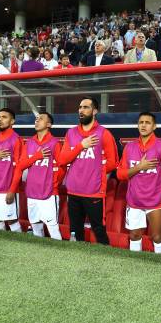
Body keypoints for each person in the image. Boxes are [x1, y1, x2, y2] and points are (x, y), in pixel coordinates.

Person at [59, 97, 119, 244]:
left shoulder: (104, 133)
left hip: (94, 191)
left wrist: (96, 172)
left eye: (86, 107)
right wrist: (81, 145)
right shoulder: (71, 133)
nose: (81, 110)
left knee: (99, 230)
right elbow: (62, 160)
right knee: (75, 231)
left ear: (94, 111)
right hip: (73, 191)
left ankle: (105, 262)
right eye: (80, 107)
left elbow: (113, 162)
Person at [116, 112, 161, 253]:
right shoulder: (130, 147)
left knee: (157, 237)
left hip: (155, 200)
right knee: (134, 235)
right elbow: (120, 174)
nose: (143, 125)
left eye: (147, 122)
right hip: (134, 200)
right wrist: (139, 167)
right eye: (141, 122)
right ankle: (135, 267)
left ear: (154, 126)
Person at [15, 112, 65, 240]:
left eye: (41, 119)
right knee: (36, 227)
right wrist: (37, 156)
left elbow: (62, 168)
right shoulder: (30, 143)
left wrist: (53, 185)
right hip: (32, 193)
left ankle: (59, 258)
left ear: (49, 124)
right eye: (36, 119)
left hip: (49, 193)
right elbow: (21, 166)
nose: (37, 121)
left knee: (53, 228)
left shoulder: (55, 144)